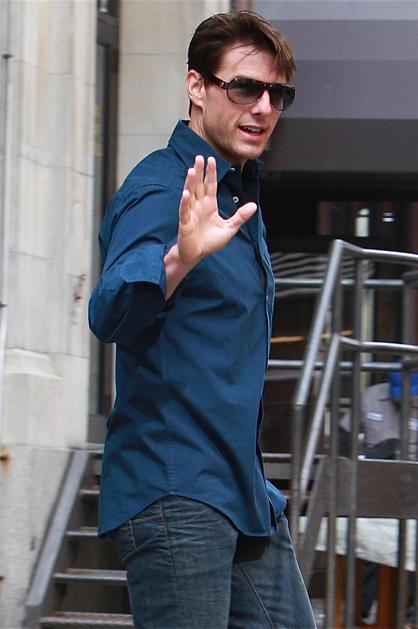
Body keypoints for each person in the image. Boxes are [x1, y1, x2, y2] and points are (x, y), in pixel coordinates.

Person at [89, 10, 316, 628]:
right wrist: (178, 259)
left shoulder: (235, 196)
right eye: (244, 87)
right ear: (196, 85)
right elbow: (110, 309)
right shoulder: (166, 188)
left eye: (277, 94)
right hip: (177, 489)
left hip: (240, 489)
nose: (263, 107)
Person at [339, 369, 418, 624]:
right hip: (374, 481)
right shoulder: (372, 396)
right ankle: (361, 608)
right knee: (367, 544)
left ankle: (410, 610)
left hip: (413, 484)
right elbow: (343, 434)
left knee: (411, 546)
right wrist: (351, 462)